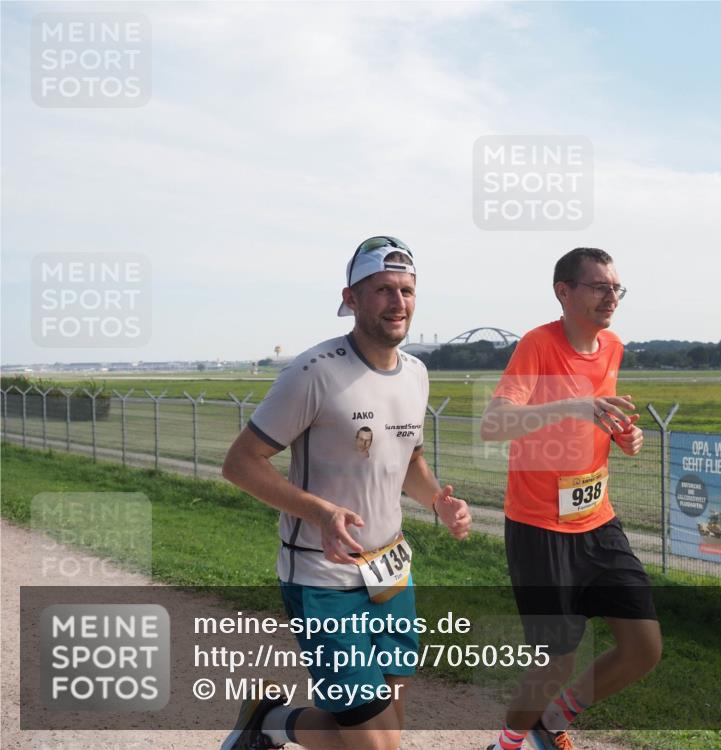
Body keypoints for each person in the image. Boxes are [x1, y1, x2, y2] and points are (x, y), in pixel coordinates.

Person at [220, 235, 471, 750]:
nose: (397, 302)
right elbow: (240, 463)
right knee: (375, 746)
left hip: (391, 571)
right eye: (382, 289)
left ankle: (268, 721)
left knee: (389, 731)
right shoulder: (314, 371)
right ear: (351, 298)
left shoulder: (417, 373)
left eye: (406, 290)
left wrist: (437, 501)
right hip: (323, 577)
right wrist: (320, 512)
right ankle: (268, 723)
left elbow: (408, 459)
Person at [480, 247, 661, 750]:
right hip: (540, 529)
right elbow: (494, 424)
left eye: (616, 288)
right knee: (555, 661)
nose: (611, 297)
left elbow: (598, 416)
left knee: (643, 646)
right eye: (600, 287)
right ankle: (506, 745)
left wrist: (622, 434)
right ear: (564, 292)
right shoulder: (538, 345)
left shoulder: (613, 346)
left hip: (597, 521)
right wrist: (576, 405)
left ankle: (552, 721)